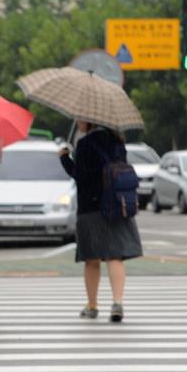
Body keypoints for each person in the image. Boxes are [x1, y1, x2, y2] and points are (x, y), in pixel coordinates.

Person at [60, 120, 141, 322]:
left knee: (92, 259)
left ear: (88, 120)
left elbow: (80, 175)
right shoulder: (117, 141)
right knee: (115, 257)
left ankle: (92, 305)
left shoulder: (85, 144)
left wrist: (64, 158)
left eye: (80, 118)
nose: (77, 121)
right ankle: (118, 302)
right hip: (116, 205)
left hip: (91, 209)